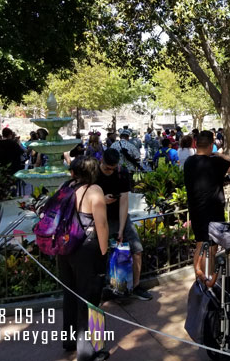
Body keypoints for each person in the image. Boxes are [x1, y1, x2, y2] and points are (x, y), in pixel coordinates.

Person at [57, 156, 109, 360]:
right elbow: (102, 225)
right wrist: (104, 252)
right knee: (91, 299)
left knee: (70, 294)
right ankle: (90, 351)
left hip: (65, 247)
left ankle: (70, 340)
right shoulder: (94, 191)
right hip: (87, 249)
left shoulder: (66, 187)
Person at [184, 131, 230, 286]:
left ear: (196, 144)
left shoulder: (189, 162)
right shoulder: (216, 162)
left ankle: (199, 277)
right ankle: (208, 280)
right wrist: (221, 155)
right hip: (213, 210)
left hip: (196, 209)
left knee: (200, 244)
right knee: (211, 248)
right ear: (211, 145)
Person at [97, 149, 152, 300]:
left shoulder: (122, 173)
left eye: (113, 169)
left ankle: (135, 286)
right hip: (99, 218)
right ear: (101, 160)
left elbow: (124, 202)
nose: (110, 171)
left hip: (120, 217)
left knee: (137, 249)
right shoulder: (94, 172)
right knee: (101, 253)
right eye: (107, 168)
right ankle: (104, 288)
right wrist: (102, 199)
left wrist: (121, 229)